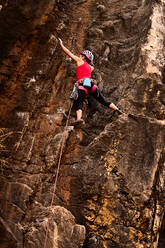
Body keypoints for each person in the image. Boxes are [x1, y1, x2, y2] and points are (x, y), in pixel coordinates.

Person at [59, 38, 122, 124]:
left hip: (82, 85)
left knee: (78, 103)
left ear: (84, 57)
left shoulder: (80, 61)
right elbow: (87, 72)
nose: (80, 56)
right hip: (91, 85)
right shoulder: (91, 68)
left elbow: (69, 53)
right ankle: (117, 109)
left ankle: (79, 120)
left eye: (81, 55)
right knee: (103, 100)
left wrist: (61, 44)